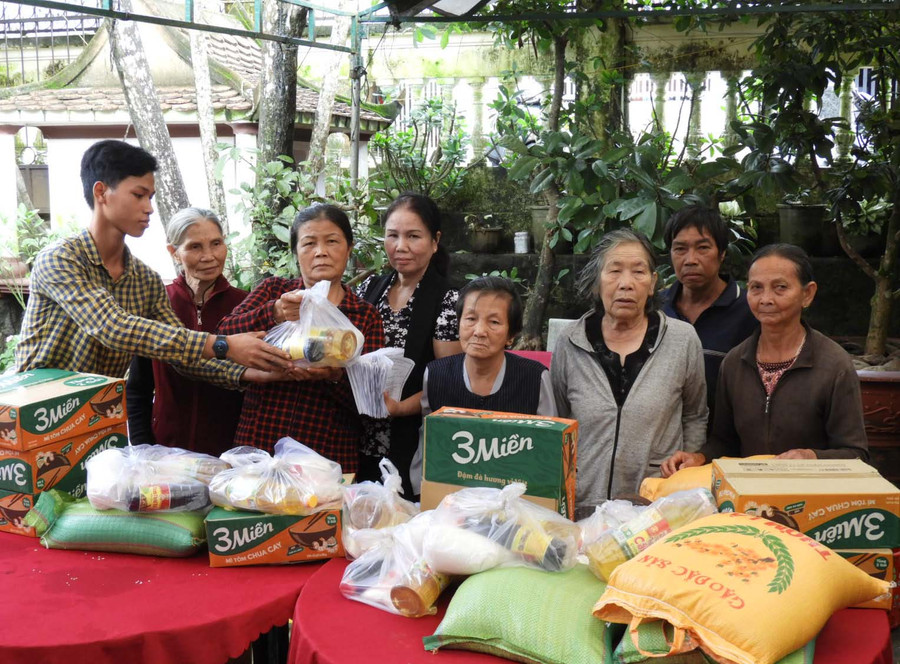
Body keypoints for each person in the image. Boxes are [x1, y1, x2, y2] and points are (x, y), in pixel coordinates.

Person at [15, 139, 290, 385]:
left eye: (151, 197)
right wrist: (223, 345)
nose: (149, 208)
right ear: (101, 192)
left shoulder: (145, 280)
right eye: (138, 195)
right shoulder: (60, 259)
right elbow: (113, 327)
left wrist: (250, 373)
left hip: (97, 418)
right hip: (36, 419)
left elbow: (181, 354)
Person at [661, 244, 868, 476]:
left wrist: (812, 457)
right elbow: (724, 442)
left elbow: (855, 453)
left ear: (807, 294)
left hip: (812, 499)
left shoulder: (833, 365)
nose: (765, 299)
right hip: (746, 500)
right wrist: (698, 457)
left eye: (780, 288)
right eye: (756, 288)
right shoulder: (734, 362)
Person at [551, 229, 708, 520]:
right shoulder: (570, 341)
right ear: (597, 281)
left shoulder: (682, 339)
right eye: (614, 271)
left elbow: (695, 414)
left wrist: (686, 469)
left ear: (652, 284)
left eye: (638, 272)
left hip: (654, 507)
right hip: (583, 505)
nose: (626, 284)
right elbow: (559, 421)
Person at [217, 204, 384, 472]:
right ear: (295, 252)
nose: (321, 252)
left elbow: (372, 397)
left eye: (332, 241)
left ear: (349, 249)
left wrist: (333, 376)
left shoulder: (364, 317)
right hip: (260, 447)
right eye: (309, 243)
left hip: (326, 456)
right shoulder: (274, 291)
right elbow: (223, 335)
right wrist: (274, 312)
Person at [410, 275, 556, 494]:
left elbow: (549, 454)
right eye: (470, 319)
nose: (479, 331)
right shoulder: (436, 374)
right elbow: (427, 450)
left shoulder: (535, 378)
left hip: (517, 507)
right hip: (450, 506)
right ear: (458, 323)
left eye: (494, 322)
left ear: (511, 335)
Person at [356, 193, 461, 494]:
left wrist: (401, 408)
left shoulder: (448, 300)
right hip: (360, 438)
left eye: (413, 236)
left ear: (434, 240)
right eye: (392, 236)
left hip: (414, 443)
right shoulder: (369, 289)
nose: (400, 246)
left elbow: (448, 382)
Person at [126, 208, 247, 455]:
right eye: (195, 247)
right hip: (165, 450)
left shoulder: (245, 306)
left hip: (229, 453)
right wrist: (144, 448)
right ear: (174, 253)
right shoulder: (158, 305)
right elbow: (138, 387)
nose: (209, 256)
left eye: (216, 243)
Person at [660, 205, 757, 417]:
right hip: (664, 440)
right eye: (680, 249)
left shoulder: (749, 310)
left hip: (726, 441)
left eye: (702, 248)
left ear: (722, 254)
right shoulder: (654, 309)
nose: (690, 259)